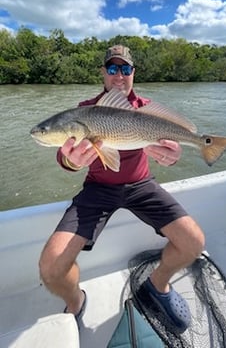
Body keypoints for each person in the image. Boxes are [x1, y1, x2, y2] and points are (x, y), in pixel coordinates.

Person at [39, 44, 205, 332]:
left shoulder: (147, 111)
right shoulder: (85, 111)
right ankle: (77, 301)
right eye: (113, 68)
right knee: (51, 267)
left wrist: (175, 154)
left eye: (125, 69)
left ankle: (158, 284)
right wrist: (70, 159)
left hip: (142, 185)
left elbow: (170, 146)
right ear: (104, 73)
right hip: (98, 188)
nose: (119, 75)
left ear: (133, 73)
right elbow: (64, 155)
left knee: (194, 242)